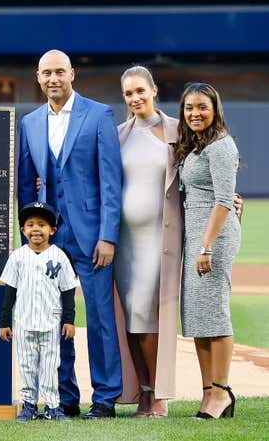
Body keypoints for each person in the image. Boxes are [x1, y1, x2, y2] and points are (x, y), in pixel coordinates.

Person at [18, 49, 123, 419]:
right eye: (46, 73)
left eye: (59, 72)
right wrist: (28, 239)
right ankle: (64, 397)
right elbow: (24, 189)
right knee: (51, 319)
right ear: (38, 76)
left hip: (92, 236)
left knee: (99, 318)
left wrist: (108, 235)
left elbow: (112, 182)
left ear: (72, 74)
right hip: (48, 239)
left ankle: (106, 398)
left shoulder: (99, 115)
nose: (53, 79)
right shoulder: (29, 122)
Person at [113, 66, 181, 418]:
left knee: (145, 312)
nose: (135, 98)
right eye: (128, 94)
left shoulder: (175, 131)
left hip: (158, 238)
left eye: (140, 91)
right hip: (124, 242)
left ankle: (159, 397)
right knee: (129, 318)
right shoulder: (119, 135)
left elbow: (199, 174)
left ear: (153, 90)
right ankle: (143, 391)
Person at [176, 83, 241, 420]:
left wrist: (206, 246)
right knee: (198, 316)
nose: (195, 113)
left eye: (201, 106)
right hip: (197, 239)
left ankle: (222, 391)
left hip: (212, 240)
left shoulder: (221, 145)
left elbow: (223, 200)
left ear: (215, 108)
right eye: (188, 108)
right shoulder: (196, 145)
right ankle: (208, 393)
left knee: (214, 314)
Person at [0, 202, 78, 423]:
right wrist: (5, 322)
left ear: (52, 230)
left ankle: (53, 407)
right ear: (23, 230)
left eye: (42, 224)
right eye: (30, 224)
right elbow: (9, 292)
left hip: (51, 322)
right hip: (24, 322)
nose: (35, 229)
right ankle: (29, 406)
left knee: (51, 367)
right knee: (26, 366)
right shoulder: (17, 256)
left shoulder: (59, 256)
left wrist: (69, 321)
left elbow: (68, 291)